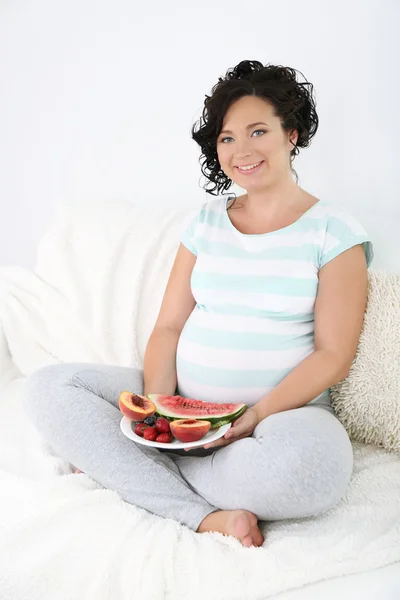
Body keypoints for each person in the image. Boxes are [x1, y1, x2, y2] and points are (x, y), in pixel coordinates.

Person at [23, 59, 374, 549]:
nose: (241, 150)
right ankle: (200, 513)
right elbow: (168, 328)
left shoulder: (335, 232)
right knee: (49, 387)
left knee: (310, 474)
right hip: (183, 399)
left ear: (291, 134)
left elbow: (333, 356)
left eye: (257, 131)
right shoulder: (206, 223)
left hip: (278, 419)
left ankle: (128, 470)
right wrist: (159, 411)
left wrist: (251, 419)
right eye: (227, 138)